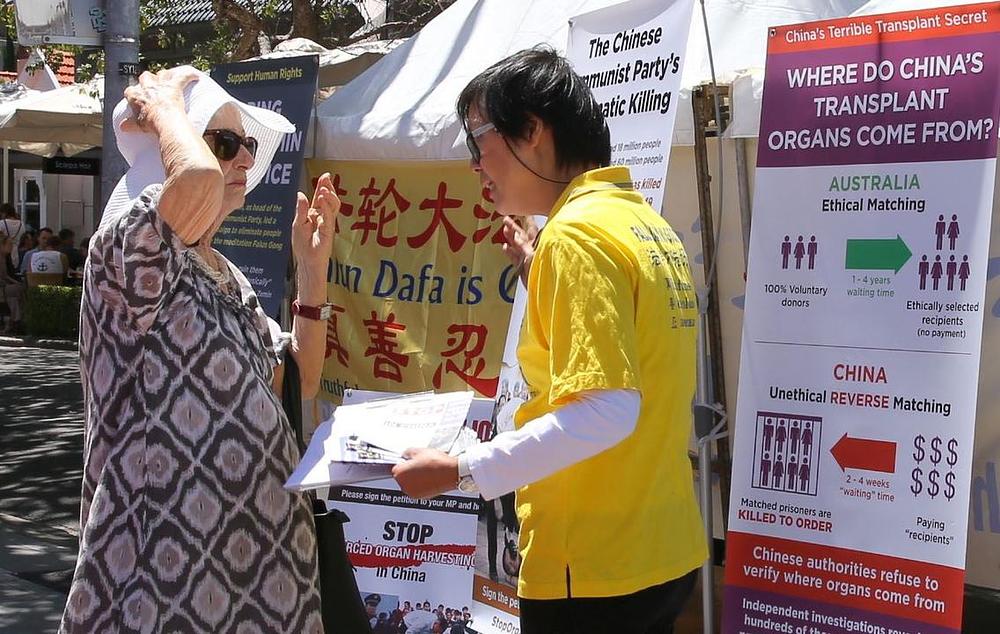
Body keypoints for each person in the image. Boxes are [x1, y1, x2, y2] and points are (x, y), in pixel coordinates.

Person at [391, 47, 705, 633]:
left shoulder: (577, 236)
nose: (474, 166)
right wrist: (540, 266)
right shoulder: (641, 225)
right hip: (660, 548)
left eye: (477, 141)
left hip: (591, 565)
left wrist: (459, 470)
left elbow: (607, 409)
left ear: (532, 129)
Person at [59, 67, 339, 633]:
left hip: (262, 572)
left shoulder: (225, 272)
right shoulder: (125, 254)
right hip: (164, 573)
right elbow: (194, 182)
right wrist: (164, 106)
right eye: (226, 143)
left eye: (248, 146)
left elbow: (300, 380)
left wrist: (311, 274)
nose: (242, 161)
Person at [0, 234, 24, 333]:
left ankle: (17, 320)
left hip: (4, 285)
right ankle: (15, 320)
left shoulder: (6, 258)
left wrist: (17, 282)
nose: (11, 247)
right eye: (9, 244)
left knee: (19, 290)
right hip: (1, 286)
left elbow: (7, 275)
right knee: (15, 291)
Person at [0, 203, 26, 267]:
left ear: (5, 213)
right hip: (17, 251)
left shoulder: (2, 223)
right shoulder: (22, 224)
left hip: (4, 252)